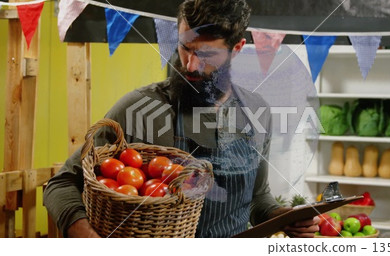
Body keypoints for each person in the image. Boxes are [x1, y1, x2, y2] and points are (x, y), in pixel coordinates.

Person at [44, 0, 319, 238]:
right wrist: (87, 237)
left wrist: (284, 216)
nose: (190, 64)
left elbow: (257, 199)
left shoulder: (256, 112)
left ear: (237, 48)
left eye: (206, 54)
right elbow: (62, 183)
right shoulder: (138, 109)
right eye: (185, 47)